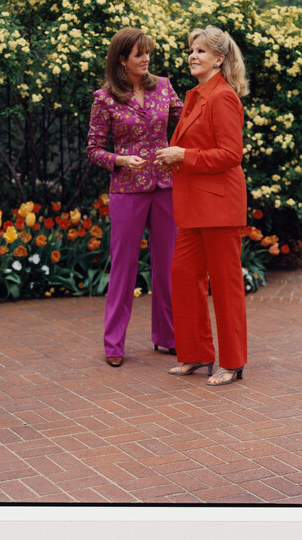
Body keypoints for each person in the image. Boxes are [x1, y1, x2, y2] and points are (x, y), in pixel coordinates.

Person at [154, 25, 249, 387]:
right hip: (194, 205)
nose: (192, 55)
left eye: (201, 51)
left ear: (219, 59)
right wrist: (174, 157)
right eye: (191, 50)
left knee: (225, 284)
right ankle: (197, 354)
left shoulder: (223, 97)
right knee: (183, 275)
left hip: (219, 205)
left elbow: (230, 154)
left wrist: (184, 155)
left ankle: (233, 362)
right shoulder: (196, 95)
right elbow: (198, 148)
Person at [87, 27, 183, 367]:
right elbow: (94, 150)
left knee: (168, 266)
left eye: (148, 53)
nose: (146, 59)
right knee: (124, 268)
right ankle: (114, 344)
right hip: (127, 190)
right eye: (139, 54)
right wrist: (121, 160)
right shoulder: (105, 98)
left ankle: (167, 337)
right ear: (122, 59)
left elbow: (186, 125)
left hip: (165, 187)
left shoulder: (165, 88)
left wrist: (179, 150)